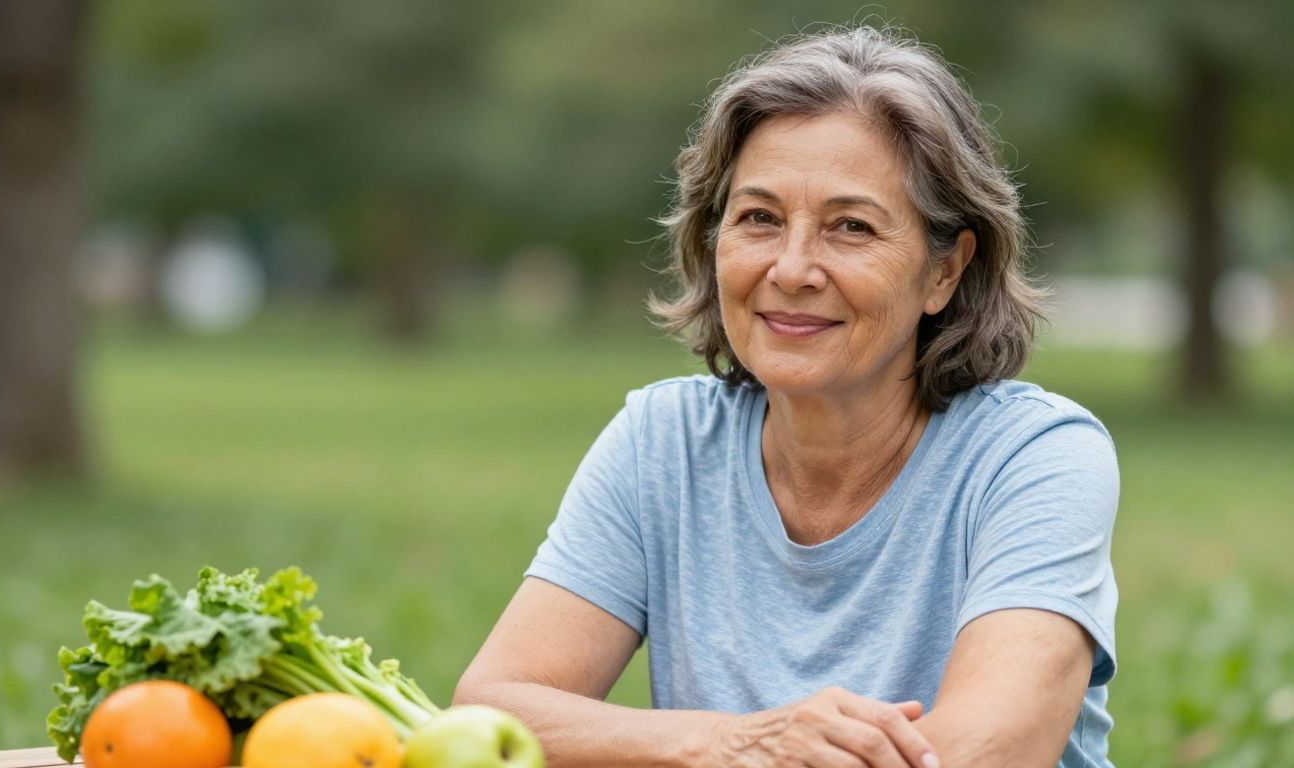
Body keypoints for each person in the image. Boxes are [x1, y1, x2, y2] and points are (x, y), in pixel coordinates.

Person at [454, 25, 1118, 768]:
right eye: (760, 219)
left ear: (945, 271)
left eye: (851, 227)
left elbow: (992, 752)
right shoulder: (662, 441)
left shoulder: (1037, 458)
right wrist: (730, 740)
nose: (793, 267)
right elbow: (492, 712)